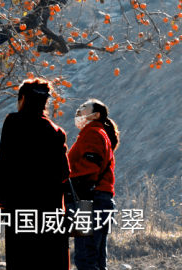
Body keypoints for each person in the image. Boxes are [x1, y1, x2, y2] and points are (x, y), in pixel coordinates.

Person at [0, 78, 72, 269]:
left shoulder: (13, 122)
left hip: (20, 208)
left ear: (23, 99)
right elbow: (64, 173)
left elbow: (5, 163)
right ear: (45, 103)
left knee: (22, 261)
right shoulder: (56, 132)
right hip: (50, 210)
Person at [68, 99, 119, 270]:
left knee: (85, 258)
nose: (79, 110)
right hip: (99, 200)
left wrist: (65, 175)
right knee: (96, 259)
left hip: (89, 203)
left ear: (96, 115)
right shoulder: (97, 133)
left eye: (84, 107)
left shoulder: (93, 133)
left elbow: (90, 164)